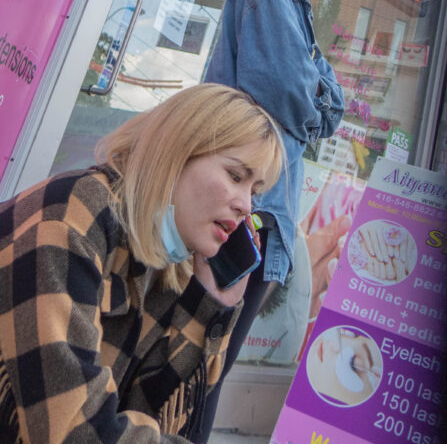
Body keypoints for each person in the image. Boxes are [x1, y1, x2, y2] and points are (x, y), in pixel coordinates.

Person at [0, 84, 282, 443]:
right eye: (236, 176)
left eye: (254, 190)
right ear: (178, 152)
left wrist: (209, 307)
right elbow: (73, 431)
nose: (246, 205)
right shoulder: (75, 213)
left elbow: (152, 414)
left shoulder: (170, 260)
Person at [199, 0, 347, 437]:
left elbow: (331, 108)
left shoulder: (298, 9)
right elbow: (290, 92)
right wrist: (314, 101)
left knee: (215, 361)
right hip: (244, 205)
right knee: (202, 356)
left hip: (267, 207)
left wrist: (314, 100)